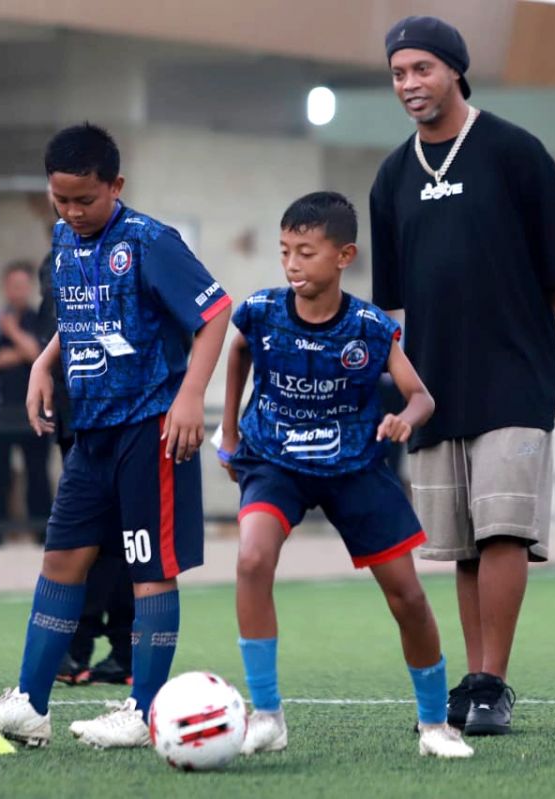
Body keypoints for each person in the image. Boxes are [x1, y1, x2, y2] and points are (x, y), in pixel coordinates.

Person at [0, 123, 231, 749]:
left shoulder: (149, 241)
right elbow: (86, 313)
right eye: (61, 200)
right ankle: (30, 704)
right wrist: (43, 362)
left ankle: (142, 712)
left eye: (85, 199)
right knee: (61, 558)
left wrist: (191, 396)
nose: (73, 212)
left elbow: (217, 314)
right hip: (92, 434)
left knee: (149, 568)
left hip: (150, 428)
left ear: (116, 185)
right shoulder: (62, 238)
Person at [369, 15, 555, 735]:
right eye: (399, 72)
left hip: (515, 378)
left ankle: (493, 681)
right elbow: (393, 296)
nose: (409, 84)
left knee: (503, 530)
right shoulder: (392, 176)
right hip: (436, 386)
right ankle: (474, 681)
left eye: (422, 69)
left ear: (456, 71)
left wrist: (519, 326)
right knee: (463, 541)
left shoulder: (513, 151)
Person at [220, 191, 472, 759]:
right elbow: (237, 350)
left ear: (344, 256)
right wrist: (231, 432)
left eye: (305, 252)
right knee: (252, 558)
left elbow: (421, 398)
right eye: (285, 251)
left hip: (354, 466)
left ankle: (435, 725)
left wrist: (404, 419)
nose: (291, 264)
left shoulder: (370, 327)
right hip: (274, 461)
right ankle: (267, 715)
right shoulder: (260, 310)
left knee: (407, 596)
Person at [38, 254, 135, 687]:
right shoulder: (61, 258)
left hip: (127, 418)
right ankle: (88, 649)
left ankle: (111, 650)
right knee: (92, 539)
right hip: (79, 418)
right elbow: (65, 332)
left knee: (120, 540)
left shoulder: (139, 251)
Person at [0, 261, 50, 546]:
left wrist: (14, 335)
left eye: (22, 285)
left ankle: (42, 533)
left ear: (30, 287)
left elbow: (39, 355)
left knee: (38, 472)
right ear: (4, 287)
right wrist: (27, 350)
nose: (17, 291)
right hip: (0, 410)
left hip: (36, 407)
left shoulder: (41, 319)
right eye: (12, 285)